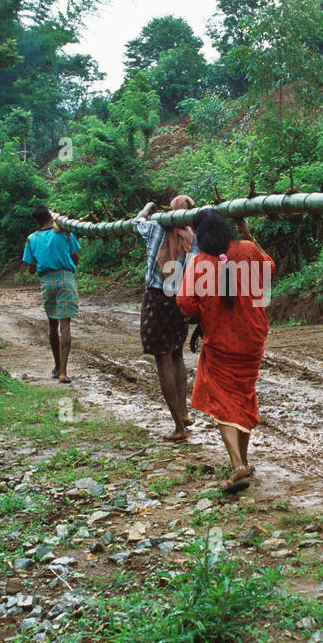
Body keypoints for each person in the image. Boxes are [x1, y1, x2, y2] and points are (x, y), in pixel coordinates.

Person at [176, 209, 274, 494]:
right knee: (243, 396)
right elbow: (269, 268)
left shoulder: (198, 262)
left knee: (222, 401)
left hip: (220, 340)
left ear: (200, 235)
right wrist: (248, 236)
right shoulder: (248, 250)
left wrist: (204, 311)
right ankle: (243, 460)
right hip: (253, 337)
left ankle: (236, 465)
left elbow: (185, 304)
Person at [133, 196, 197, 441]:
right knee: (178, 353)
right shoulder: (191, 235)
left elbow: (136, 223)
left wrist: (147, 207)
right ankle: (183, 412)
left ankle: (178, 427)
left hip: (158, 298)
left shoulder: (156, 226)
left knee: (163, 359)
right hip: (180, 299)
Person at [22, 205, 80, 383]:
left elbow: (31, 269)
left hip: (46, 282)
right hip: (66, 278)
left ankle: (56, 366)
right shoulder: (66, 233)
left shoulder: (31, 239)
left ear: (36, 221)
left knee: (53, 325)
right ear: (50, 216)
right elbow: (76, 258)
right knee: (65, 326)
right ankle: (63, 371)